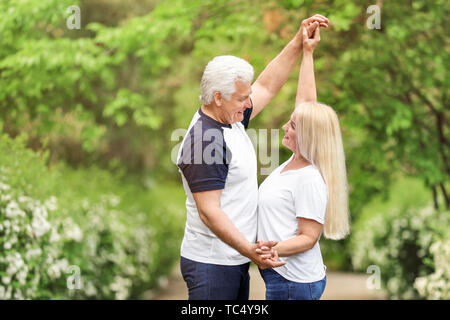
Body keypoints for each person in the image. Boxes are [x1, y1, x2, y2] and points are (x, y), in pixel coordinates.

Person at [176, 15, 330, 300]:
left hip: (234, 259)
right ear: (218, 97)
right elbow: (210, 214)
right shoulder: (203, 142)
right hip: (213, 264)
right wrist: (250, 250)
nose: (249, 105)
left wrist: (300, 43)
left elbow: (268, 86)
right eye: (242, 99)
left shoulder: (230, 118)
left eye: (248, 97)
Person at [255, 22, 350, 300]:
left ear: (307, 135)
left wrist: (268, 250)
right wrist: (307, 52)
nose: (285, 125)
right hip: (285, 278)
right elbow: (306, 102)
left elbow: (308, 238)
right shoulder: (293, 163)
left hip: (293, 284)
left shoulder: (308, 178)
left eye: (293, 125)